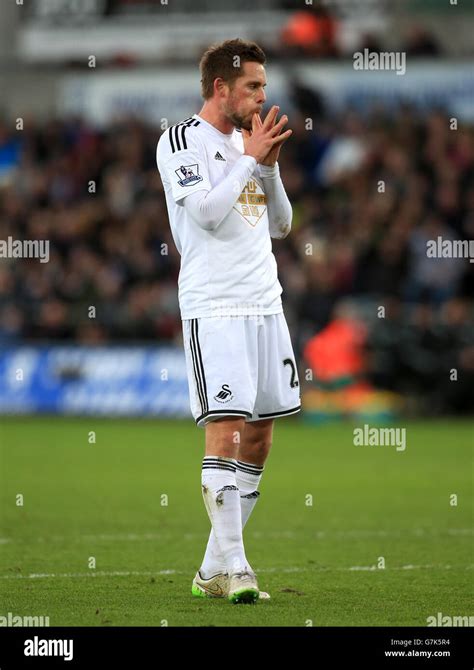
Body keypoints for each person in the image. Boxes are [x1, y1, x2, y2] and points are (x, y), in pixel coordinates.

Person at [156, 38, 300, 604]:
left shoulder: (250, 144)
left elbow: (282, 226)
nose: (263, 95)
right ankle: (237, 567)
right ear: (221, 87)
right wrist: (247, 159)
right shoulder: (180, 143)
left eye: (264, 85)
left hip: (266, 303)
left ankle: (212, 567)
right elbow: (210, 217)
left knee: (259, 437)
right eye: (254, 86)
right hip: (215, 307)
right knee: (227, 430)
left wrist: (269, 169)